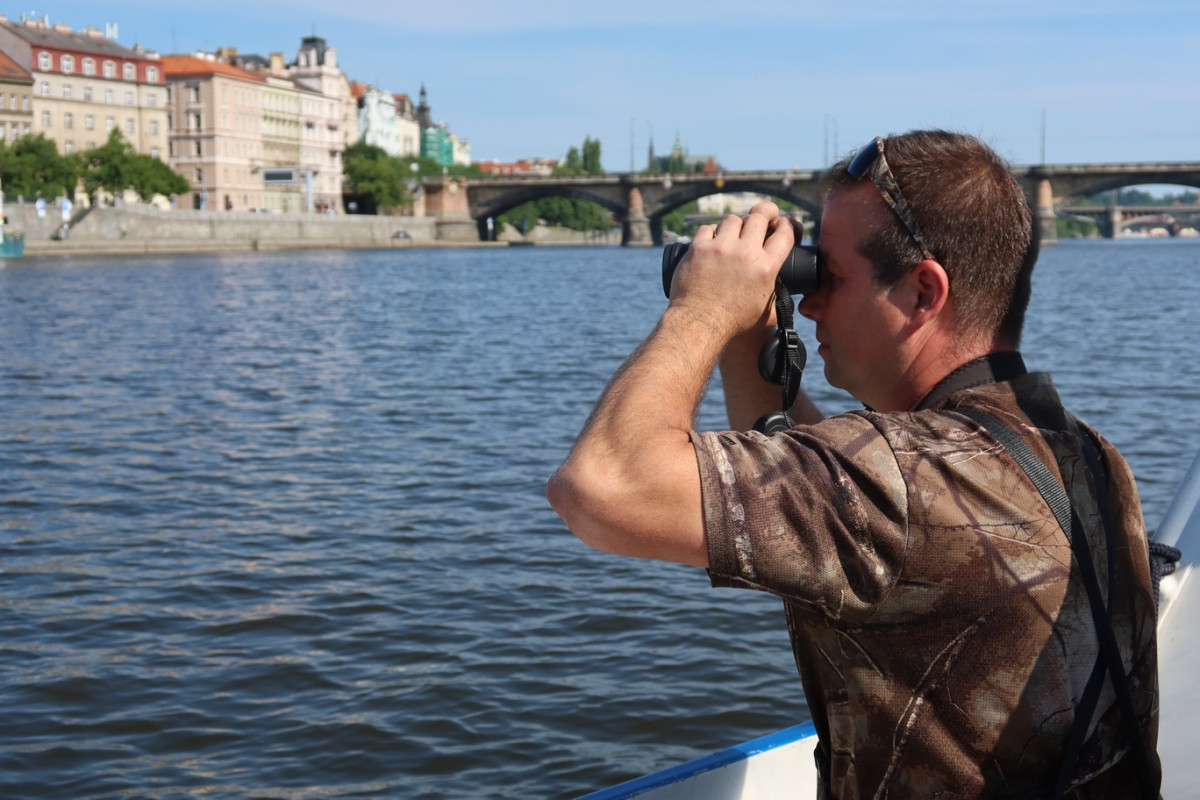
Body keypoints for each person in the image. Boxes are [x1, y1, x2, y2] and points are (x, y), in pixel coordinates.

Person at [547, 130, 1160, 798]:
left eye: (828, 277)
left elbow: (602, 486)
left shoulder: (898, 483)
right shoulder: (1088, 453)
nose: (807, 303)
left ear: (924, 293)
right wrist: (751, 337)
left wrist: (704, 310)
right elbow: (842, 501)